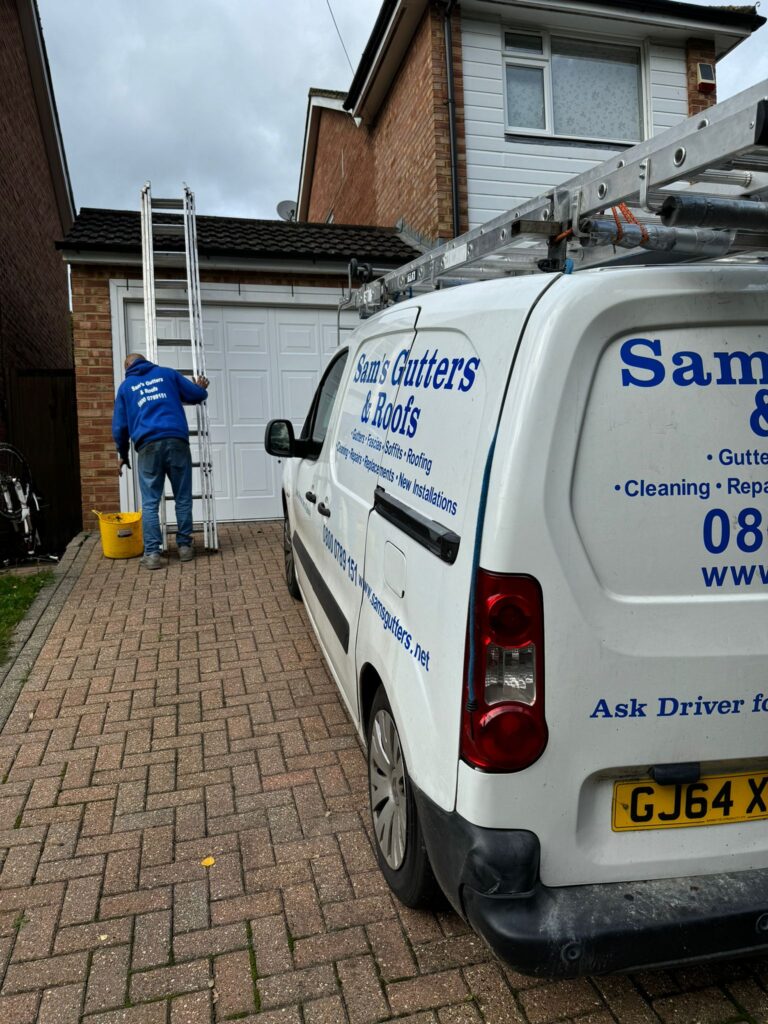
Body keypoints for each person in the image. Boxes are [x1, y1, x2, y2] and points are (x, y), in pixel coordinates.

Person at [112, 353, 209, 569]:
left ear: (127, 366)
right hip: (176, 442)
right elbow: (195, 394)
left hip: (147, 447)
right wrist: (201, 388)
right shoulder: (167, 374)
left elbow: (119, 427)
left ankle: (153, 554)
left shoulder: (126, 388)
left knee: (150, 503)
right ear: (145, 360)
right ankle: (184, 548)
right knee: (183, 497)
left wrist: (122, 453)